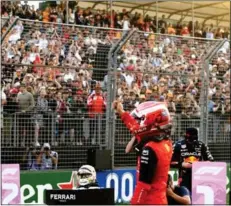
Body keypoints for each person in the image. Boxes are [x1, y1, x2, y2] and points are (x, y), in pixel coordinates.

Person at [113, 100, 173, 205]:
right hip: (160, 199)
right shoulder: (165, 142)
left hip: (149, 201)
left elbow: (143, 186)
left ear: (151, 122)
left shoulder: (150, 149)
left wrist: (134, 204)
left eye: (141, 120)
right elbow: (136, 129)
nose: (138, 123)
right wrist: (121, 111)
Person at [171, 127, 214, 193]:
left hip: (198, 176)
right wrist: (182, 164)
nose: (190, 142)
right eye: (188, 139)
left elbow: (211, 161)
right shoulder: (177, 145)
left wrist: (198, 165)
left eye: (192, 139)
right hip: (183, 176)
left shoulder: (202, 145)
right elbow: (170, 162)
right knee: (186, 196)